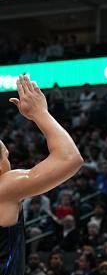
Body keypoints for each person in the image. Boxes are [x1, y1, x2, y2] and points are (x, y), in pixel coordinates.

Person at [0, 75, 83, 275]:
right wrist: (40, 113)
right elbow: (69, 158)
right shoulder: (4, 188)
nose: (9, 163)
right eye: (5, 156)